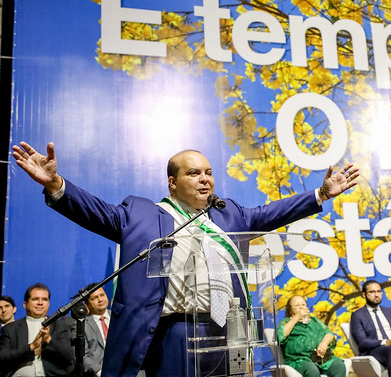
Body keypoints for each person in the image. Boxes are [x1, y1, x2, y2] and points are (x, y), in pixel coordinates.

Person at [11, 141, 359, 377]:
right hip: (174, 332)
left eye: (208, 172)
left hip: (225, 330)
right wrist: (55, 182)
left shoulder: (229, 214)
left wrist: (321, 193)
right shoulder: (142, 214)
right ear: (172, 182)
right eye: (194, 173)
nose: (205, 178)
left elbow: (271, 213)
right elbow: (96, 212)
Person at [0, 283, 74, 376]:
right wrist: (31, 347)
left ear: (48, 304)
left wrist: (49, 340)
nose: (40, 303)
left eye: (45, 299)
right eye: (35, 299)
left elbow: (68, 357)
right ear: (25, 304)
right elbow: (3, 357)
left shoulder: (59, 326)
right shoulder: (10, 329)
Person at [277, 296, 346, 377]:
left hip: (320, 359)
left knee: (339, 366)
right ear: (290, 309)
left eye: (303, 304)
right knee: (312, 370)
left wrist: (324, 343)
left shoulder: (315, 321)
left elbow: (329, 334)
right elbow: (281, 336)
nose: (301, 307)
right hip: (299, 360)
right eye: (296, 305)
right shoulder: (287, 322)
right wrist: (296, 317)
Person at [82, 284, 110, 377]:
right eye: (94, 298)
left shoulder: (120, 318)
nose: (100, 299)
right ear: (87, 304)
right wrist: (99, 372)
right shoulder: (82, 324)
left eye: (102, 295)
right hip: (97, 373)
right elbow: (81, 356)